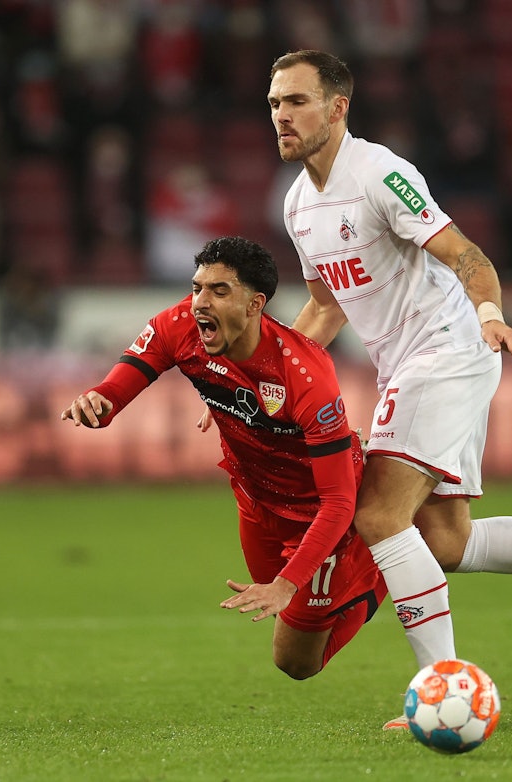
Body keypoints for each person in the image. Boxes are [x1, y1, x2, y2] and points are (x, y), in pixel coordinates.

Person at [264, 50, 512, 725]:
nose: (281, 115)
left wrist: (490, 315)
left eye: (296, 101)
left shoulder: (380, 174)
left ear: (337, 108)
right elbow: (326, 305)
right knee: (443, 541)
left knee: (378, 515)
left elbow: (466, 255)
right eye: (274, 103)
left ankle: (440, 687)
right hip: (407, 365)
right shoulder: (298, 204)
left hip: (447, 350)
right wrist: (270, 383)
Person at [61, 236, 387, 680]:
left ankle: (372, 570)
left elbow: (338, 501)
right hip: (255, 502)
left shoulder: (308, 378)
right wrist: (96, 402)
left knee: (294, 662)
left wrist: (288, 583)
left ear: (255, 304)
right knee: (281, 625)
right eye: (197, 287)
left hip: (318, 512)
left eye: (219, 291)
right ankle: (324, 592)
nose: (199, 302)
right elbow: (115, 393)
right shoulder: (178, 325)